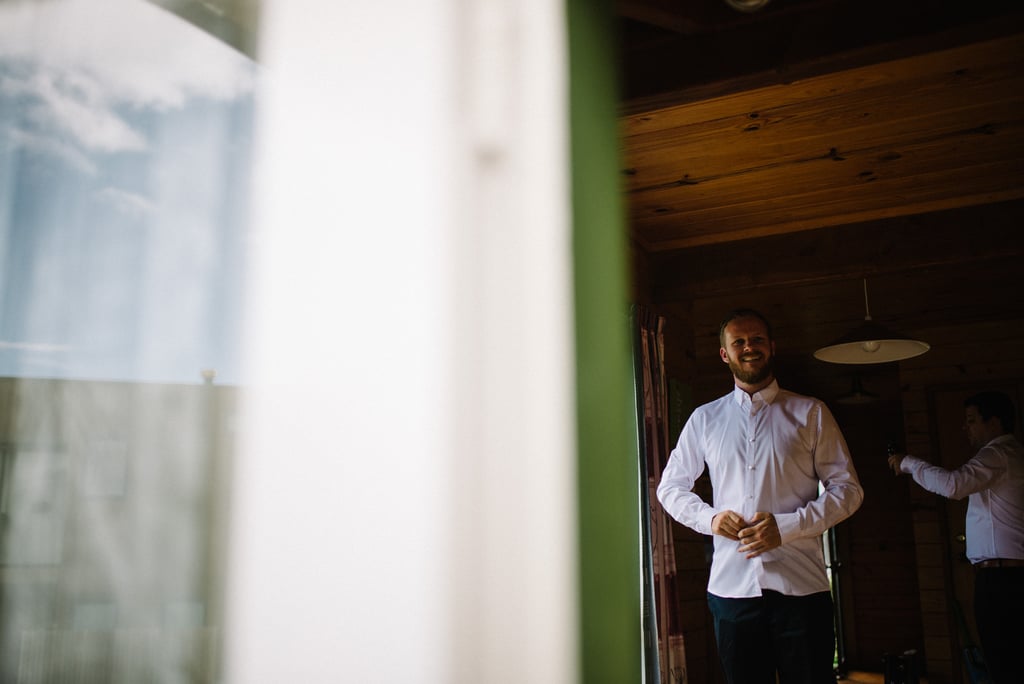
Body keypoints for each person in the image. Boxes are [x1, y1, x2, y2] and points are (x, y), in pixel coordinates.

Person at [657, 308, 863, 684]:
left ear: (772, 347)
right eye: (739, 342)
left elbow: (848, 491)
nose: (749, 347)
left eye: (757, 340)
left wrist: (786, 528)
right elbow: (669, 488)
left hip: (802, 588)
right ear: (725, 354)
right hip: (731, 591)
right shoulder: (705, 419)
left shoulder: (811, 412)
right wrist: (712, 519)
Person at [888, 391, 1024, 684]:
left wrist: (908, 463)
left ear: (995, 422)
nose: (966, 428)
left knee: (1005, 663)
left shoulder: (997, 453)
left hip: (1003, 581)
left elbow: (953, 485)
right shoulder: (1011, 454)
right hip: (1007, 577)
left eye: (972, 420)